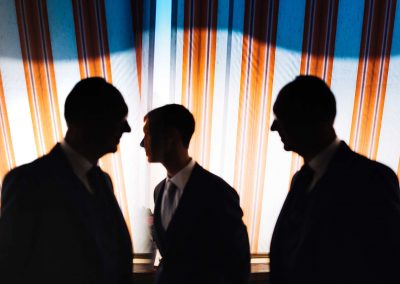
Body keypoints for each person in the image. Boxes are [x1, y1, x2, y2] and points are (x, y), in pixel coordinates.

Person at [0, 77, 133, 284]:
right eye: (118, 119)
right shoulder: (28, 182)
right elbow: (10, 266)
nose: (126, 129)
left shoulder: (103, 181)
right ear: (86, 121)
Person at [269, 75, 400, 284]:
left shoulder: (372, 179)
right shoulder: (300, 180)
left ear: (314, 117)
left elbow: (386, 264)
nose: (274, 127)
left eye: (282, 116)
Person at [141, 104, 250, 284]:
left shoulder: (218, 192)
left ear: (170, 136)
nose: (143, 142)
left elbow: (237, 263)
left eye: (148, 134)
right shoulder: (158, 191)